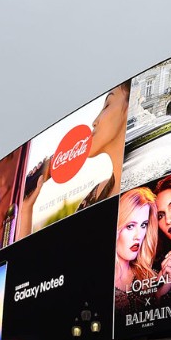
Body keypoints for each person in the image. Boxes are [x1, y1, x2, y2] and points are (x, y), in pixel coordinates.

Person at [19, 82, 130, 238]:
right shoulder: (96, 194)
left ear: (129, 106)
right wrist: (26, 209)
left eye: (106, 105)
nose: (94, 121)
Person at [114, 188, 171, 313]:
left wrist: (160, 294)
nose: (138, 235)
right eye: (130, 226)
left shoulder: (151, 278)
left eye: (143, 225)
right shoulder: (97, 279)